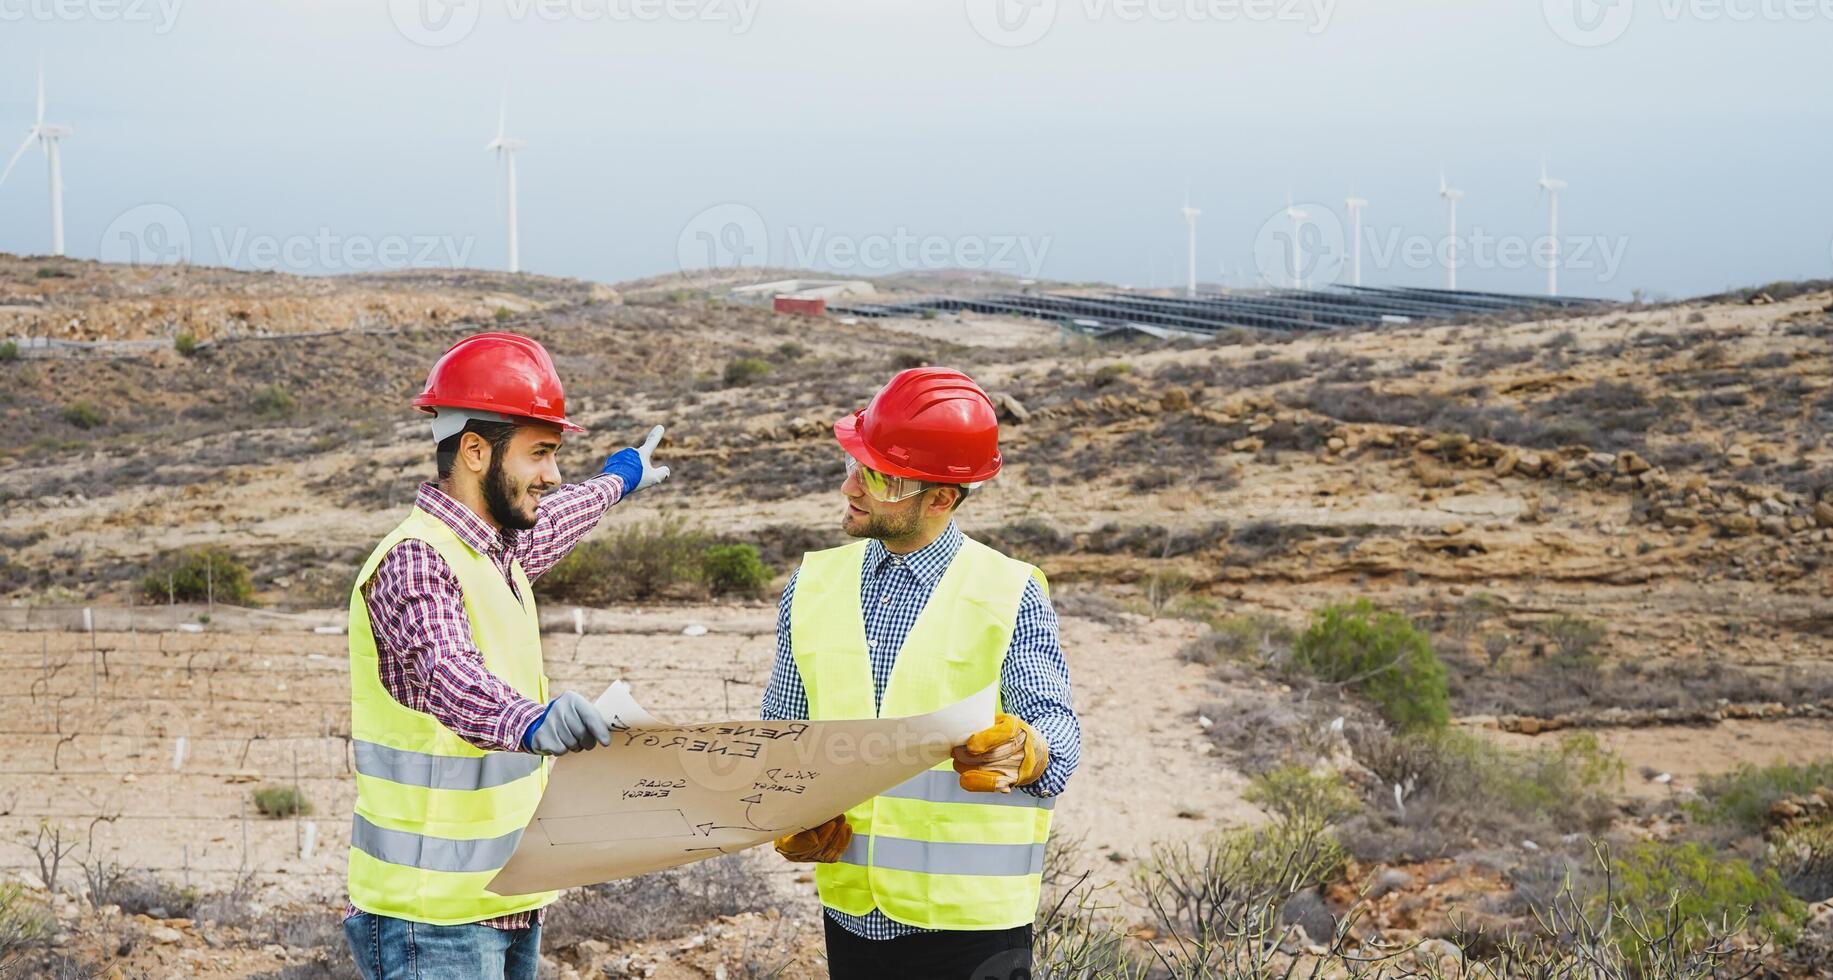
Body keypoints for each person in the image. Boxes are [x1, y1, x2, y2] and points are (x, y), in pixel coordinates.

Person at [342, 332, 670, 980]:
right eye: (541, 454)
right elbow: (446, 671)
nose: (551, 474)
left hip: (504, 898)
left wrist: (620, 477)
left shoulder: (497, 548)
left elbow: (561, 514)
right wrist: (528, 720)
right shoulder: (416, 561)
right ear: (473, 450)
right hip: (432, 919)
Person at [760, 367, 1081, 980]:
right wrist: (789, 806)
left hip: (972, 928)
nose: (850, 485)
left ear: (940, 498)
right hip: (853, 913)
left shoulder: (1008, 591)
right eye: (853, 462)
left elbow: (1057, 735)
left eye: (877, 475)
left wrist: (1028, 752)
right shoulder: (812, 586)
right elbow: (782, 735)